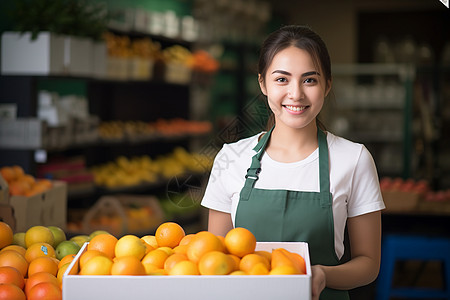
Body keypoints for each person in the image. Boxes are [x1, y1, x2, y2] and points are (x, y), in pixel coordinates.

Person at [201, 25, 385, 300]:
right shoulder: (231, 158)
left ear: (327, 84)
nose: (296, 94)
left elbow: (369, 264)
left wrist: (322, 275)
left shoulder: (354, 159)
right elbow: (215, 258)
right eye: (282, 80)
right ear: (263, 84)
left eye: (309, 80)